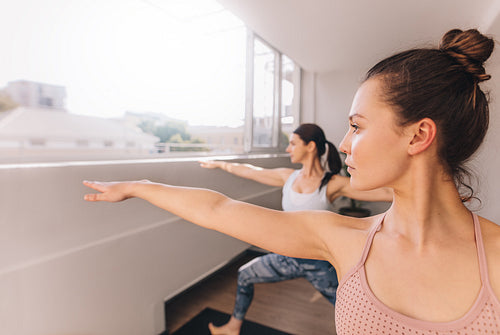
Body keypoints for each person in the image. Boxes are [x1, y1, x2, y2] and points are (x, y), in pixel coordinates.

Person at [83, 28, 500, 334]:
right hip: (300, 256)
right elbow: (219, 209)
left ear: (418, 135)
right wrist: (138, 185)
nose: (345, 142)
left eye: (357, 126)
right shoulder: (343, 239)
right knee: (248, 273)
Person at [198, 123, 392, 335]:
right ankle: (233, 327)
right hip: (287, 259)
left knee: (354, 309)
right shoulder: (287, 177)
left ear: (310, 146)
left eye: (292, 144)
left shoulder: (332, 183)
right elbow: (251, 171)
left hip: (319, 265)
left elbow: (385, 192)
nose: (288, 149)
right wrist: (219, 164)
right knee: (245, 274)